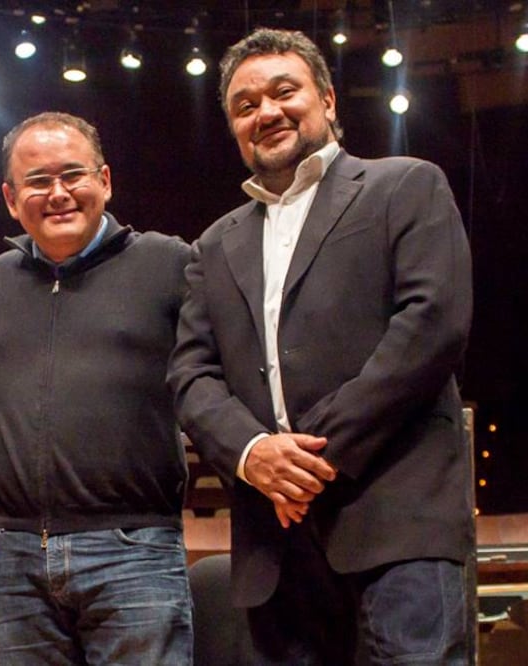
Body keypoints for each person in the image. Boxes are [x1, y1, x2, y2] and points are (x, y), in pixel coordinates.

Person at [168, 28, 474, 664]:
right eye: (245, 106)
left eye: (285, 92)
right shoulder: (213, 244)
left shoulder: (405, 185)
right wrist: (254, 454)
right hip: (275, 546)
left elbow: (432, 323)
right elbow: (192, 376)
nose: (267, 112)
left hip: (397, 522)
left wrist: (307, 459)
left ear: (329, 100)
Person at [0, 111, 193, 665]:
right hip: (15, 556)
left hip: (134, 550)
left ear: (105, 180)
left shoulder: (167, 263)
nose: (58, 194)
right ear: (9, 197)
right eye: (38, 181)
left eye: (72, 175)